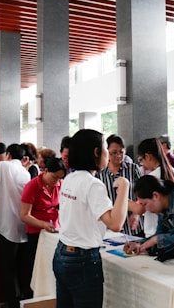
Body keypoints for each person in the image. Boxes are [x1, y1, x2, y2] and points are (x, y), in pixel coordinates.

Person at [53, 129, 129, 308]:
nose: (108, 155)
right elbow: (116, 224)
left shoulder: (70, 178)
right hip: (82, 258)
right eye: (105, 149)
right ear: (96, 152)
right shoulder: (93, 184)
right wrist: (124, 187)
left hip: (62, 252)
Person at [0, 143, 31, 308]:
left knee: (7, 267)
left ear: (8, 154)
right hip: (23, 224)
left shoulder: (2, 166)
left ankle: (12, 302)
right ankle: (23, 299)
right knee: (22, 266)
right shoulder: (25, 172)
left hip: (6, 224)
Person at [20, 157, 66, 299]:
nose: (56, 181)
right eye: (54, 177)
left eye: (60, 178)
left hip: (54, 231)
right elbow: (24, 215)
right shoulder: (32, 186)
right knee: (36, 267)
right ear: (45, 171)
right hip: (36, 231)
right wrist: (43, 224)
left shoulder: (61, 185)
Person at [136, 138, 174, 238]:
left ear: (147, 156)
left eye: (141, 160)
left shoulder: (151, 179)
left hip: (155, 232)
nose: (142, 164)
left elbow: (140, 208)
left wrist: (121, 198)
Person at [96, 134, 143, 236]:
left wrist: (137, 214)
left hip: (133, 225)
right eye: (113, 153)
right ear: (106, 152)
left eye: (121, 152)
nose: (118, 156)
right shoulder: (100, 173)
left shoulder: (133, 169)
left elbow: (143, 194)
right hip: (109, 226)